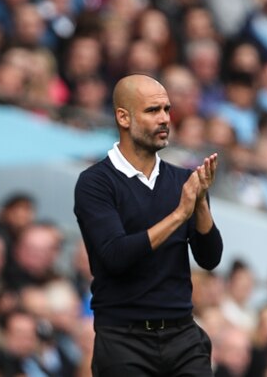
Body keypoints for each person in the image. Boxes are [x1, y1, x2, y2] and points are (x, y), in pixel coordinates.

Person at [74, 74, 223, 376]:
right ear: (123, 117)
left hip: (183, 335)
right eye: (153, 110)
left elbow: (210, 258)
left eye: (167, 110)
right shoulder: (95, 183)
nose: (165, 119)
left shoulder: (183, 180)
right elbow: (115, 255)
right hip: (123, 339)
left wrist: (201, 203)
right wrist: (180, 214)